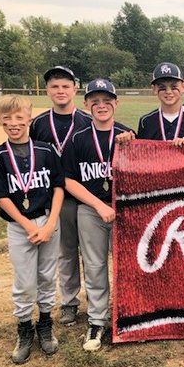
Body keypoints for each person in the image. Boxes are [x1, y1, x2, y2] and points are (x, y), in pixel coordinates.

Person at [0, 95, 65, 364]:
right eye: (7, 118)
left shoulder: (45, 150)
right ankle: (24, 327)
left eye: (20, 117)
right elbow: (1, 196)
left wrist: (51, 222)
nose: (14, 123)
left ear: (30, 118)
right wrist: (28, 224)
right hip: (20, 226)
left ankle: (44, 324)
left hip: (48, 221)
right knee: (24, 280)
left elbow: (58, 187)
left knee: (45, 276)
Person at [62, 79, 135, 351]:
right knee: (94, 266)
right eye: (95, 101)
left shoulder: (128, 134)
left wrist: (133, 144)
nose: (101, 105)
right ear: (86, 105)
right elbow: (68, 180)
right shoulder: (79, 138)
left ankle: (127, 315)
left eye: (107, 100)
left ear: (116, 102)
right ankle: (96, 321)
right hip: (91, 210)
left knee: (127, 266)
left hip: (124, 209)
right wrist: (99, 205)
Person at [30, 65, 91, 326]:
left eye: (66, 86)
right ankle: (69, 303)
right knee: (65, 253)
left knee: (92, 255)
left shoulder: (87, 120)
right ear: (47, 91)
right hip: (57, 200)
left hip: (87, 197)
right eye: (55, 86)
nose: (60, 91)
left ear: (75, 89)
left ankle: (96, 301)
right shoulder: (39, 124)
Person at [137, 62, 184, 145]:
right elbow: (140, 153)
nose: (168, 92)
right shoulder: (146, 121)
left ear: (183, 86)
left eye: (174, 87)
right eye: (162, 87)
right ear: (154, 89)